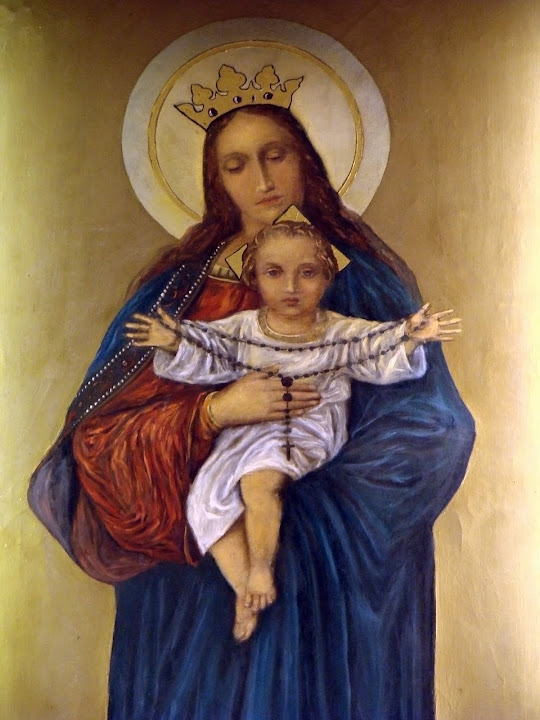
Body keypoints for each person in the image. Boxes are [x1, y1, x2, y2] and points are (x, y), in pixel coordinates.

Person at [29, 102, 475, 720]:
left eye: (276, 155)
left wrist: (313, 500)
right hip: (185, 588)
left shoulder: (360, 282)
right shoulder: (175, 291)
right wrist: (213, 413)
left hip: (321, 567)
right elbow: (98, 438)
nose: (261, 180)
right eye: (237, 165)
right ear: (217, 182)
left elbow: (436, 426)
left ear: (306, 163)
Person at [125, 221, 461, 642]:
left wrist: (409, 337)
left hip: (309, 424)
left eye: (307, 273)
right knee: (203, 500)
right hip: (249, 427)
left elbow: (375, 346)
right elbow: (209, 347)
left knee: (258, 483)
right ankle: (245, 589)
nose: (291, 287)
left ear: (326, 277)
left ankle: (261, 570)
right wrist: (173, 341)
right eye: (274, 272)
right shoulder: (244, 328)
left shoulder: (337, 331)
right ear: (254, 277)